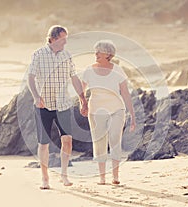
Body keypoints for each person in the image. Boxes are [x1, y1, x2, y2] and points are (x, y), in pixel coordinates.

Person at [27, 25, 88, 190]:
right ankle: (45, 178)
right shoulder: (38, 55)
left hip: (63, 104)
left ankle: (64, 175)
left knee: (67, 141)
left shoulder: (67, 56)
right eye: (63, 39)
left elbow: (74, 78)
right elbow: (31, 78)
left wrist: (82, 98)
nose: (65, 42)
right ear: (53, 39)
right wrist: (36, 96)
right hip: (43, 105)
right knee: (44, 143)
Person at [82, 40, 136, 185]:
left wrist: (132, 114)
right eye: (96, 51)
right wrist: (83, 104)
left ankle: (115, 176)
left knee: (114, 140)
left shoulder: (117, 70)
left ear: (108, 54)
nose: (96, 54)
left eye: (99, 51)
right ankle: (102, 177)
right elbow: (82, 91)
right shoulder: (88, 70)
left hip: (116, 110)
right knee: (99, 143)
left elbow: (125, 93)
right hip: (96, 111)